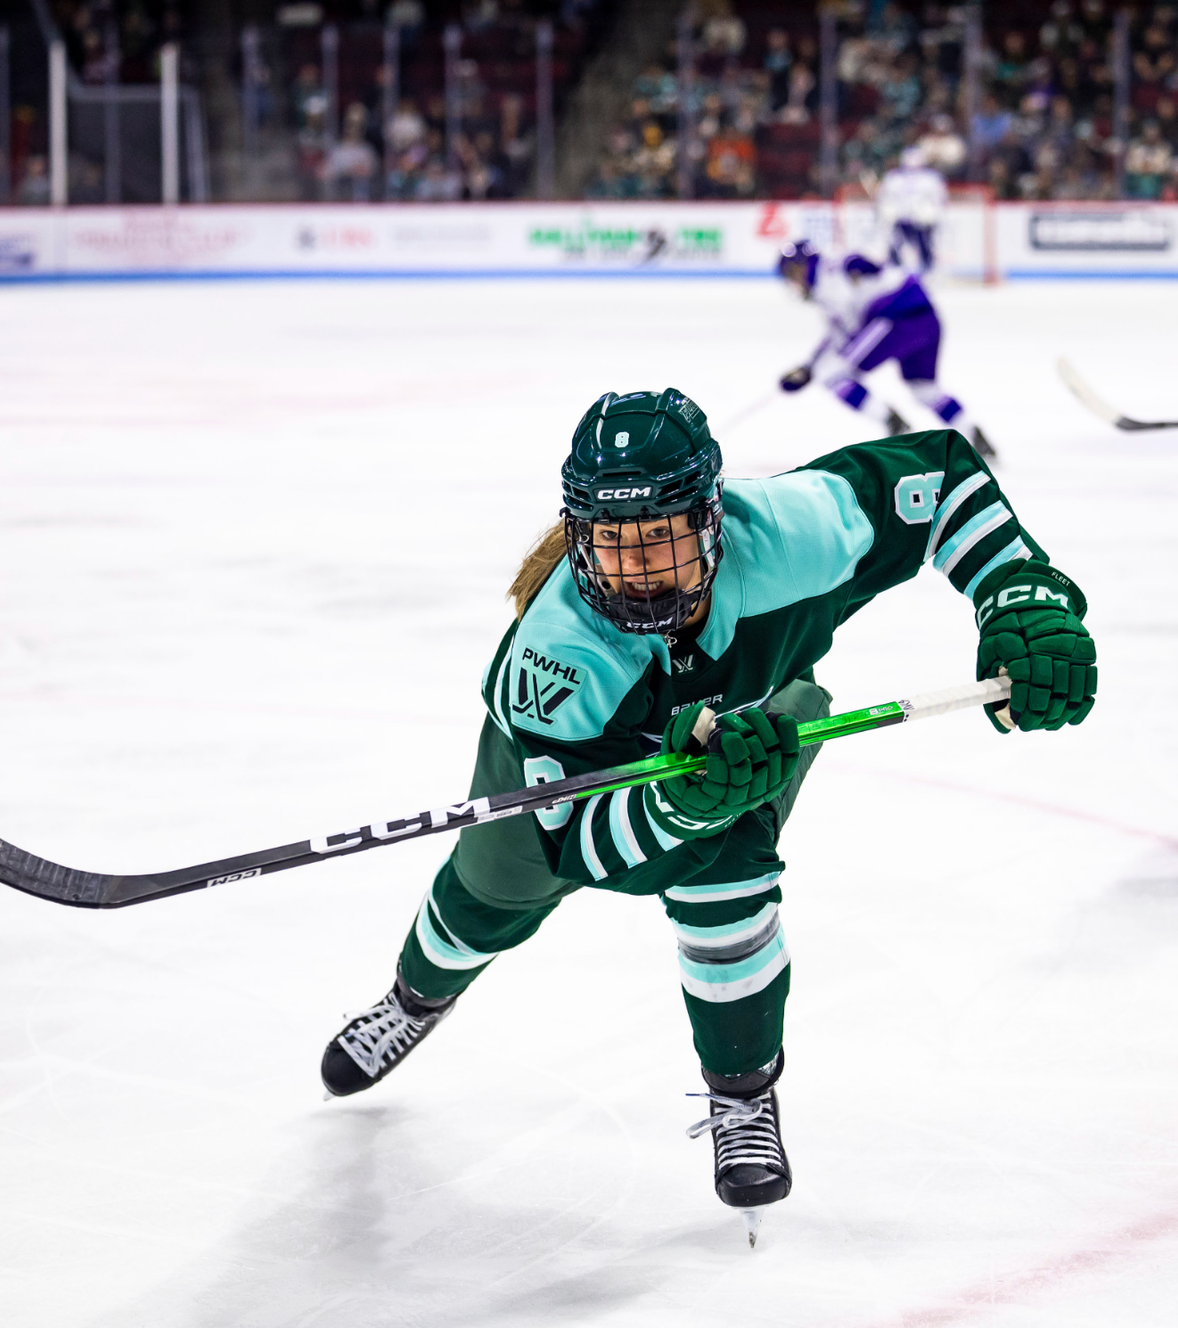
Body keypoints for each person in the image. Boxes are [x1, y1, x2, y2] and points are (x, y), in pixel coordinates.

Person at [318, 389, 1095, 1231]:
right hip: (574, 786)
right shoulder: (556, 658)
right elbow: (578, 844)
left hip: (747, 735)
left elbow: (939, 479)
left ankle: (743, 1095)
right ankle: (415, 998)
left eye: (660, 537)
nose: (636, 568)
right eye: (613, 543)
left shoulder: (796, 534)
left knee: (731, 883)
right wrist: (682, 804)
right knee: (488, 891)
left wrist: (1021, 595)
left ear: (712, 519)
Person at [775, 239, 998, 457]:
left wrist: (813, 368)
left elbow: (847, 331)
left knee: (832, 375)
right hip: (925, 315)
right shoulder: (831, 268)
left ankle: (892, 423)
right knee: (923, 389)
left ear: (802, 266)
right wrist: (809, 365)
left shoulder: (826, 280)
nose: (793, 282)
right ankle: (973, 434)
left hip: (895, 316)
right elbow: (842, 331)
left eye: (791, 274)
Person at [877, 144, 951, 274]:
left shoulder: (931, 179)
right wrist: (887, 211)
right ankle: (895, 269)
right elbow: (884, 198)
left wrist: (932, 214)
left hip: (922, 221)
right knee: (894, 243)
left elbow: (940, 199)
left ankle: (927, 269)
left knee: (925, 245)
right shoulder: (893, 178)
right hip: (900, 219)